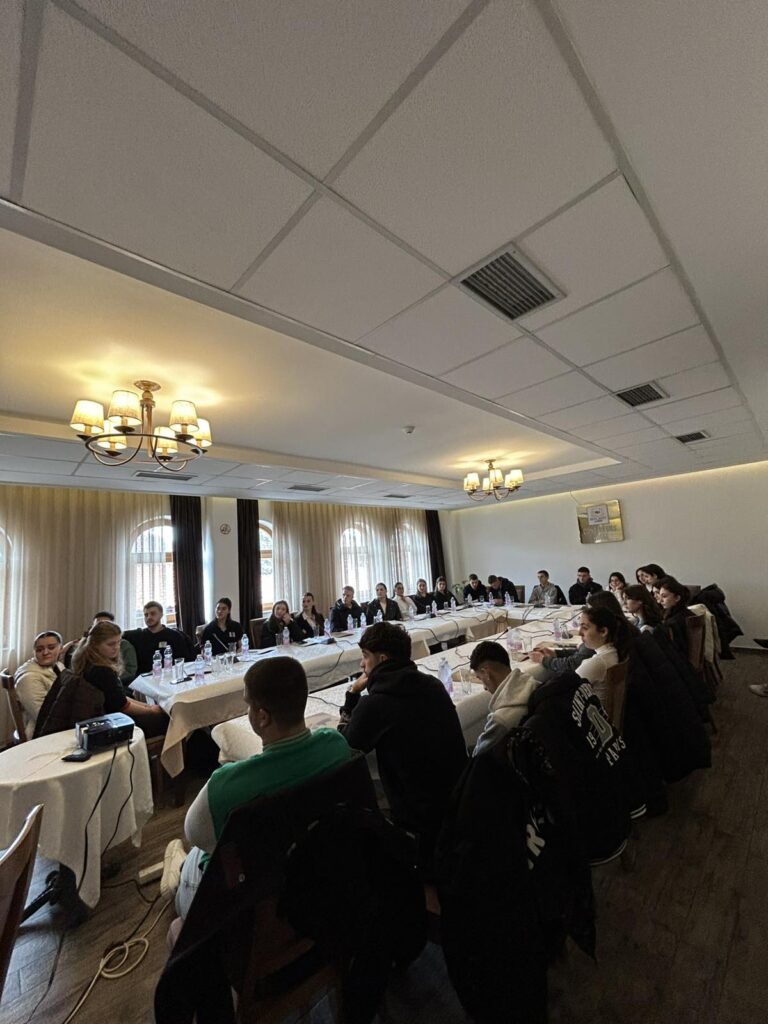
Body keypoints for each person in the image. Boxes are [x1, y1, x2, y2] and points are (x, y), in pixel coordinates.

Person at [167, 657, 351, 919]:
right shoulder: (335, 745)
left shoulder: (224, 785)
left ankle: (175, 873)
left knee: (195, 857)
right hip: (312, 872)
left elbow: (196, 835)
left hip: (243, 897)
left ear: (262, 717)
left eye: (248, 705)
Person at [338, 622, 467, 872]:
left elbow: (344, 748)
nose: (361, 665)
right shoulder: (433, 684)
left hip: (415, 819)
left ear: (382, 659)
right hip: (457, 800)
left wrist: (352, 695)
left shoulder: (375, 704)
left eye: (365, 656)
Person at [72, 621, 169, 737]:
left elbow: (120, 697)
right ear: (95, 645)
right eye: (110, 644)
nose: (116, 648)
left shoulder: (89, 662)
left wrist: (148, 707)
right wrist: (151, 710)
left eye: (118, 642)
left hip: (106, 716)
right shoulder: (101, 671)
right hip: (110, 721)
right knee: (166, 720)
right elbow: (123, 706)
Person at [468, 641, 537, 756]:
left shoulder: (500, 720)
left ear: (486, 673)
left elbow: (477, 756)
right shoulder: (534, 684)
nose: (484, 688)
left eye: (480, 678)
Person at [14, 631, 72, 738]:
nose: (45, 652)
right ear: (34, 652)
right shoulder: (28, 678)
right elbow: (42, 717)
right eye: (39, 650)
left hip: (59, 725)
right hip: (40, 734)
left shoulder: (59, 666)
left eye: (51, 647)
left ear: (61, 648)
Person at [574, 605, 634, 707]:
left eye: (585, 628)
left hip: (593, 714)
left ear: (603, 632)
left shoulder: (598, 662)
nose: (579, 633)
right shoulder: (613, 652)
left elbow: (566, 687)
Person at [123, 601, 196, 675]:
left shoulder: (174, 636)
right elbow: (118, 634)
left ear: (161, 615)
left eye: (153, 614)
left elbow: (183, 661)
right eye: (146, 615)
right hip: (143, 678)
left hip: (169, 676)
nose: (149, 617)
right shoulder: (138, 635)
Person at [656, 576, 694, 657]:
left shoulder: (673, 622)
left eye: (664, 596)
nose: (660, 600)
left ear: (677, 598)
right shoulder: (689, 613)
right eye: (660, 596)